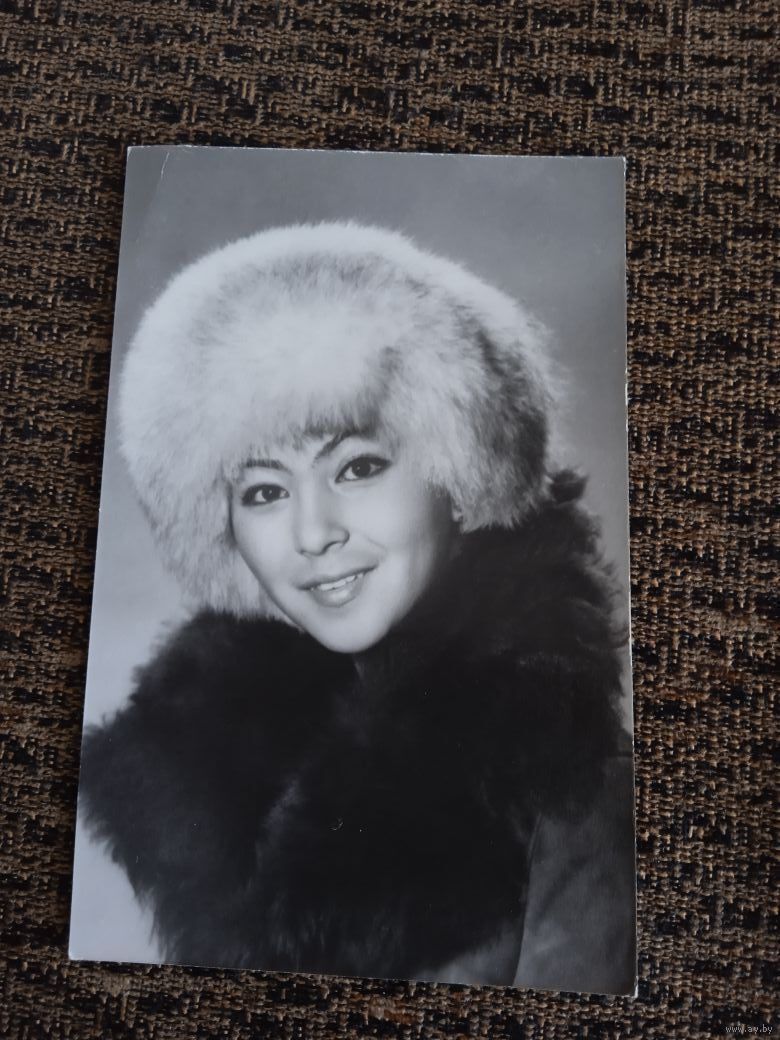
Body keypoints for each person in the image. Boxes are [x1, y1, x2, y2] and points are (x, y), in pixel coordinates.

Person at [79, 223, 635, 992]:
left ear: (460, 474)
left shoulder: (572, 796)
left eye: (358, 467)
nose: (312, 534)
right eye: (264, 491)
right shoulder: (202, 781)